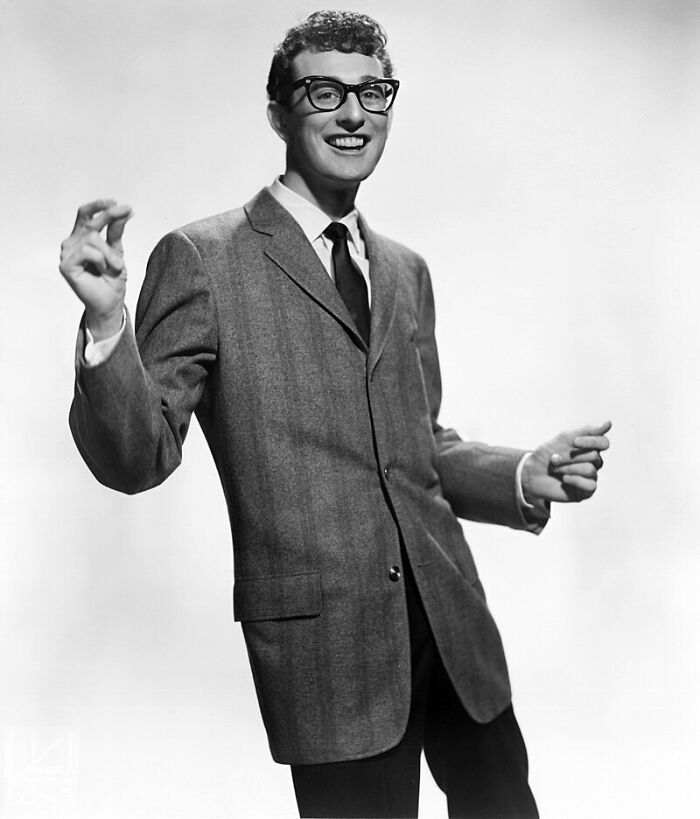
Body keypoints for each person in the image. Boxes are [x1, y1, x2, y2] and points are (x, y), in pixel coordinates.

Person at [59, 10, 610, 818]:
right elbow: (139, 456)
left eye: (373, 92)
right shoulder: (203, 259)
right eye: (326, 92)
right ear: (279, 111)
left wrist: (521, 472)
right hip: (331, 659)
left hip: (454, 631)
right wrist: (109, 325)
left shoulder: (404, 269)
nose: (354, 114)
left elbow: (416, 448)